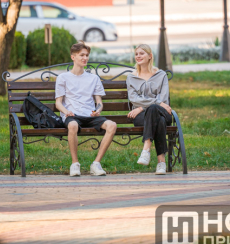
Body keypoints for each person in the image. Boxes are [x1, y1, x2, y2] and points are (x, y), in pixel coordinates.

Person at [55, 41, 117, 177]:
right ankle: (75, 164)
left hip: (90, 116)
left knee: (112, 125)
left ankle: (96, 164)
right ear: (73, 57)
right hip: (72, 116)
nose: (85, 58)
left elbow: (99, 102)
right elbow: (58, 103)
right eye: (81, 55)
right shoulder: (63, 78)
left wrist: (98, 110)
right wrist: (66, 112)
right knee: (72, 125)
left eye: (87, 55)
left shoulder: (94, 78)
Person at [126, 44, 172, 175]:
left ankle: (146, 149)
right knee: (159, 120)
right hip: (142, 117)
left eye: (142, 53)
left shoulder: (161, 75)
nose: (138, 56)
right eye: (136, 54)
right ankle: (161, 163)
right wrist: (155, 103)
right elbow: (134, 99)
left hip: (161, 112)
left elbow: (163, 99)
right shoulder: (131, 77)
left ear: (150, 56)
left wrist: (141, 107)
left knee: (154, 110)